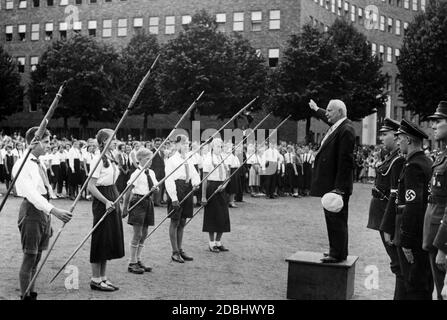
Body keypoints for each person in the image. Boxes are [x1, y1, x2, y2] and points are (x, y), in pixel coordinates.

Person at [13, 127, 72, 300]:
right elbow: (31, 194)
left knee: (38, 256)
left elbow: (45, 189)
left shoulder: (38, 162)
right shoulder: (22, 163)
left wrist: (49, 212)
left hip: (43, 210)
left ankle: (31, 292)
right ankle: (25, 295)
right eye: (45, 142)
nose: (49, 145)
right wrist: (54, 211)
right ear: (34, 142)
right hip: (32, 210)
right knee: (30, 256)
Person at [308, 99, 355, 263]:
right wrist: (316, 109)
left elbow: (345, 162)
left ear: (340, 112)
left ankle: (338, 253)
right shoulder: (339, 126)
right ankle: (336, 250)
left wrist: (339, 189)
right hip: (332, 184)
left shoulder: (346, 130)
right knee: (331, 218)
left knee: (337, 219)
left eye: (329, 110)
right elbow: (326, 116)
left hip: (337, 186)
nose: (326, 113)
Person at [394, 119, 433, 300]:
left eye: (399, 138)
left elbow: (413, 205)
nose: (397, 142)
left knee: (414, 285)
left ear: (408, 140)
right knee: (423, 282)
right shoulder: (427, 161)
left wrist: (407, 241)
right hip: (423, 232)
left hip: (414, 235)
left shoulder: (413, 166)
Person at [367, 118, 405, 299]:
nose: (381, 138)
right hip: (380, 213)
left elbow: (394, 195)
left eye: (385, 134)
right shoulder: (390, 157)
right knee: (396, 262)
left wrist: (387, 225)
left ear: (397, 137)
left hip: (386, 216)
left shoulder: (397, 160)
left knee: (397, 263)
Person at [87, 128, 125, 292]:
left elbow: (112, 182)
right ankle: (95, 279)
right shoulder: (98, 159)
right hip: (102, 199)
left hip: (112, 194)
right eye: (113, 139)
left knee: (109, 238)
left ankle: (103, 278)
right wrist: (105, 201)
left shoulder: (111, 157)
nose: (116, 141)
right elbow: (90, 186)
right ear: (104, 141)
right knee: (101, 237)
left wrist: (117, 200)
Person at [422, 101, 447, 299]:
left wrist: (443, 247)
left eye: (438, 121)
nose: (433, 126)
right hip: (434, 232)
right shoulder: (442, 155)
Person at [164, 134, 200, 263]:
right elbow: (168, 179)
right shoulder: (171, 160)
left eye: (187, 143)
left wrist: (196, 183)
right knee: (175, 220)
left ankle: (180, 249)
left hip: (187, 188)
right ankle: (174, 251)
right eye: (184, 143)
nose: (186, 145)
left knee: (183, 220)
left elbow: (194, 173)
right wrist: (173, 197)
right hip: (177, 188)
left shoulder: (189, 158)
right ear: (177, 144)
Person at [122, 148, 158, 274]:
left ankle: (138, 259)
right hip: (137, 202)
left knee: (144, 233)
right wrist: (125, 207)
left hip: (148, 202)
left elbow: (155, 186)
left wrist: (155, 189)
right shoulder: (136, 173)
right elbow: (128, 190)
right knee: (137, 234)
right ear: (140, 159)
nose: (150, 161)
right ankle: (132, 262)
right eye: (148, 159)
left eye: (151, 159)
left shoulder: (151, 173)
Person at [201, 138, 230, 253]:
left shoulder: (223, 158)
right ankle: (212, 243)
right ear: (212, 147)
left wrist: (224, 185)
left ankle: (218, 242)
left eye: (221, 146)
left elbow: (228, 175)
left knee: (223, 215)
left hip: (222, 188)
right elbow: (204, 179)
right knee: (212, 215)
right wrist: (203, 196)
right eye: (218, 146)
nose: (220, 148)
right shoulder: (208, 159)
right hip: (212, 187)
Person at [151, 138, 166, 207]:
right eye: (157, 144)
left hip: (162, 172)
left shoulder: (162, 152)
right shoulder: (152, 151)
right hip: (155, 172)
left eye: (159, 144)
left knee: (161, 187)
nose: (158, 145)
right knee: (156, 187)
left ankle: (159, 200)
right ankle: (156, 202)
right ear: (154, 144)